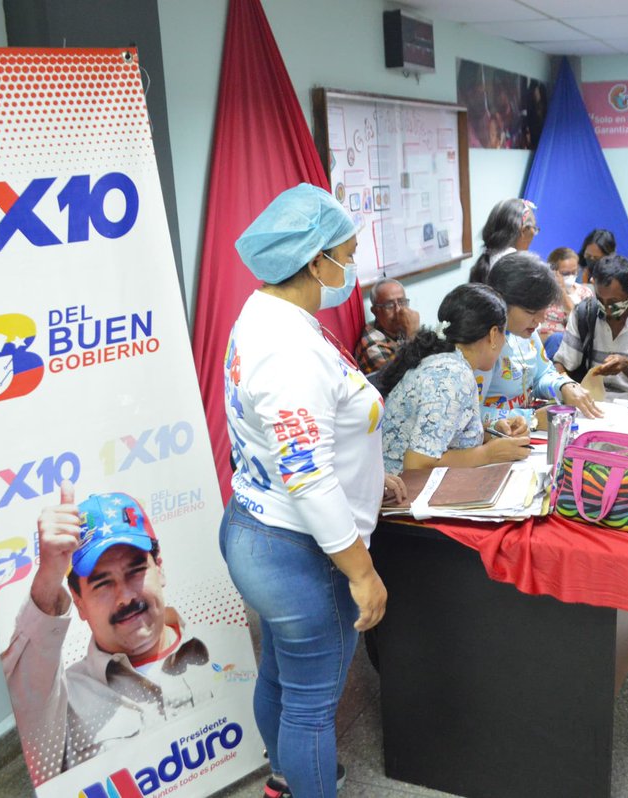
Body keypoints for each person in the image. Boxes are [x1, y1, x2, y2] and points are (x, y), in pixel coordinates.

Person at [221, 183, 404, 798]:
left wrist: (374, 476)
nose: (351, 270)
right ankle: (305, 780)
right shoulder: (289, 350)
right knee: (310, 704)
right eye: (346, 257)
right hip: (300, 548)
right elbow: (306, 472)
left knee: (280, 672)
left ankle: (283, 778)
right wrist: (361, 572)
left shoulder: (267, 313)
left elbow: (312, 436)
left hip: (258, 527)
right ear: (312, 260)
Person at [2, 486, 248, 785]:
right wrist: (48, 579)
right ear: (78, 602)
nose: (125, 596)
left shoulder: (237, 647)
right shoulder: (62, 706)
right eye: (103, 584)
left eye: (135, 571)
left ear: (160, 568)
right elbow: (23, 708)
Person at [380, 284, 531, 474]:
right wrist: (488, 454)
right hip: (402, 492)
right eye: (504, 333)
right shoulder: (450, 375)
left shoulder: (449, 362)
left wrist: (490, 432)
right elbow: (417, 464)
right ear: (493, 335)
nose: (504, 341)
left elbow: (445, 435)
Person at [474, 251, 601, 425]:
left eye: (544, 309)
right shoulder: (481, 342)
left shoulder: (525, 330)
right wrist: (530, 419)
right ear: (501, 301)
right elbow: (468, 415)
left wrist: (563, 386)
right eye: (531, 312)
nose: (541, 320)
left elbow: (542, 374)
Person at [553, 254, 628, 401]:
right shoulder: (585, 313)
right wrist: (567, 387)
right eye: (600, 300)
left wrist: (626, 365)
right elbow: (562, 364)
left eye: (614, 303)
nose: (607, 309)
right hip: (594, 399)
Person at [355, 277, 419, 374]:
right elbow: (403, 378)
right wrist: (413, 333)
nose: (398, 310)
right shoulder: (372, 346)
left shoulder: (397, 326)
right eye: (389, 305)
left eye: (402, 302)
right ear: (375, 311)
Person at [467, 198, 538, 283]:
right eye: (535, 228)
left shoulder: (489, 258)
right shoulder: (518, 268)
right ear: (523, 230)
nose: (534, 233)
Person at [539, 246, 594, 351]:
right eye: (565, 273)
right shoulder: (541, 293)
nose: (571, 276)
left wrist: (562, 292)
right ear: (552, 271)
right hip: (542, 344)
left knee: (557, 339)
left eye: (574, 272)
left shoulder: (585, 293)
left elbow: (582, 325)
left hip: (572, 347)